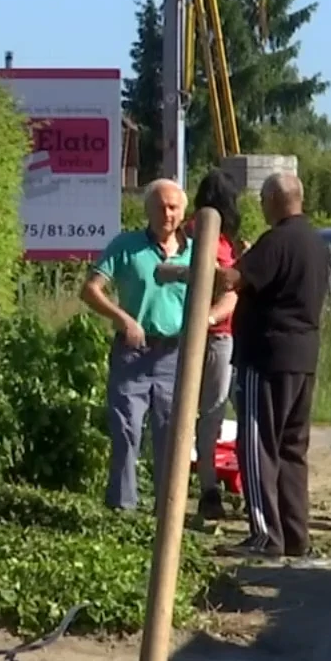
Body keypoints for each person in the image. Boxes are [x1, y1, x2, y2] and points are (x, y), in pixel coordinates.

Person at [216, 173, 330, 560]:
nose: (261, 207)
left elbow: (234, 278)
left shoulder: (276, 240)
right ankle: (296, 535)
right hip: (303, 356)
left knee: (258, 445)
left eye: (263, 200)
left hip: (266, 356)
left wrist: (209, 268)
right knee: (291, 448)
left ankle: (266, 536)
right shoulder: (315, 242)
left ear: (274, 200)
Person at [80, 179, 193, 511]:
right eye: (160, 207)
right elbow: (91, 289)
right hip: (134, 353)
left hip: (174, 354)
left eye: (173, 207)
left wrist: (208, 320)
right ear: (147, 210)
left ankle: (167, 511)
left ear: (183, 212)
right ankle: (123, 510)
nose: (166, 214)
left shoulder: (195, 250)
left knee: (170, 435)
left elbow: (224, 290)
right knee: (127, 431)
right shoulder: (126, 245)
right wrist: (122, 318)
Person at [188, 170, 243, 521]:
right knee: (212, 413)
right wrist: (208, 319)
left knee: (190, 413)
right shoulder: (216, 241)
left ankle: (196, 483)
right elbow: (229, 292)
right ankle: (209, 489)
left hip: (197, 333)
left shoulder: (187, 233)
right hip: (217, 334)